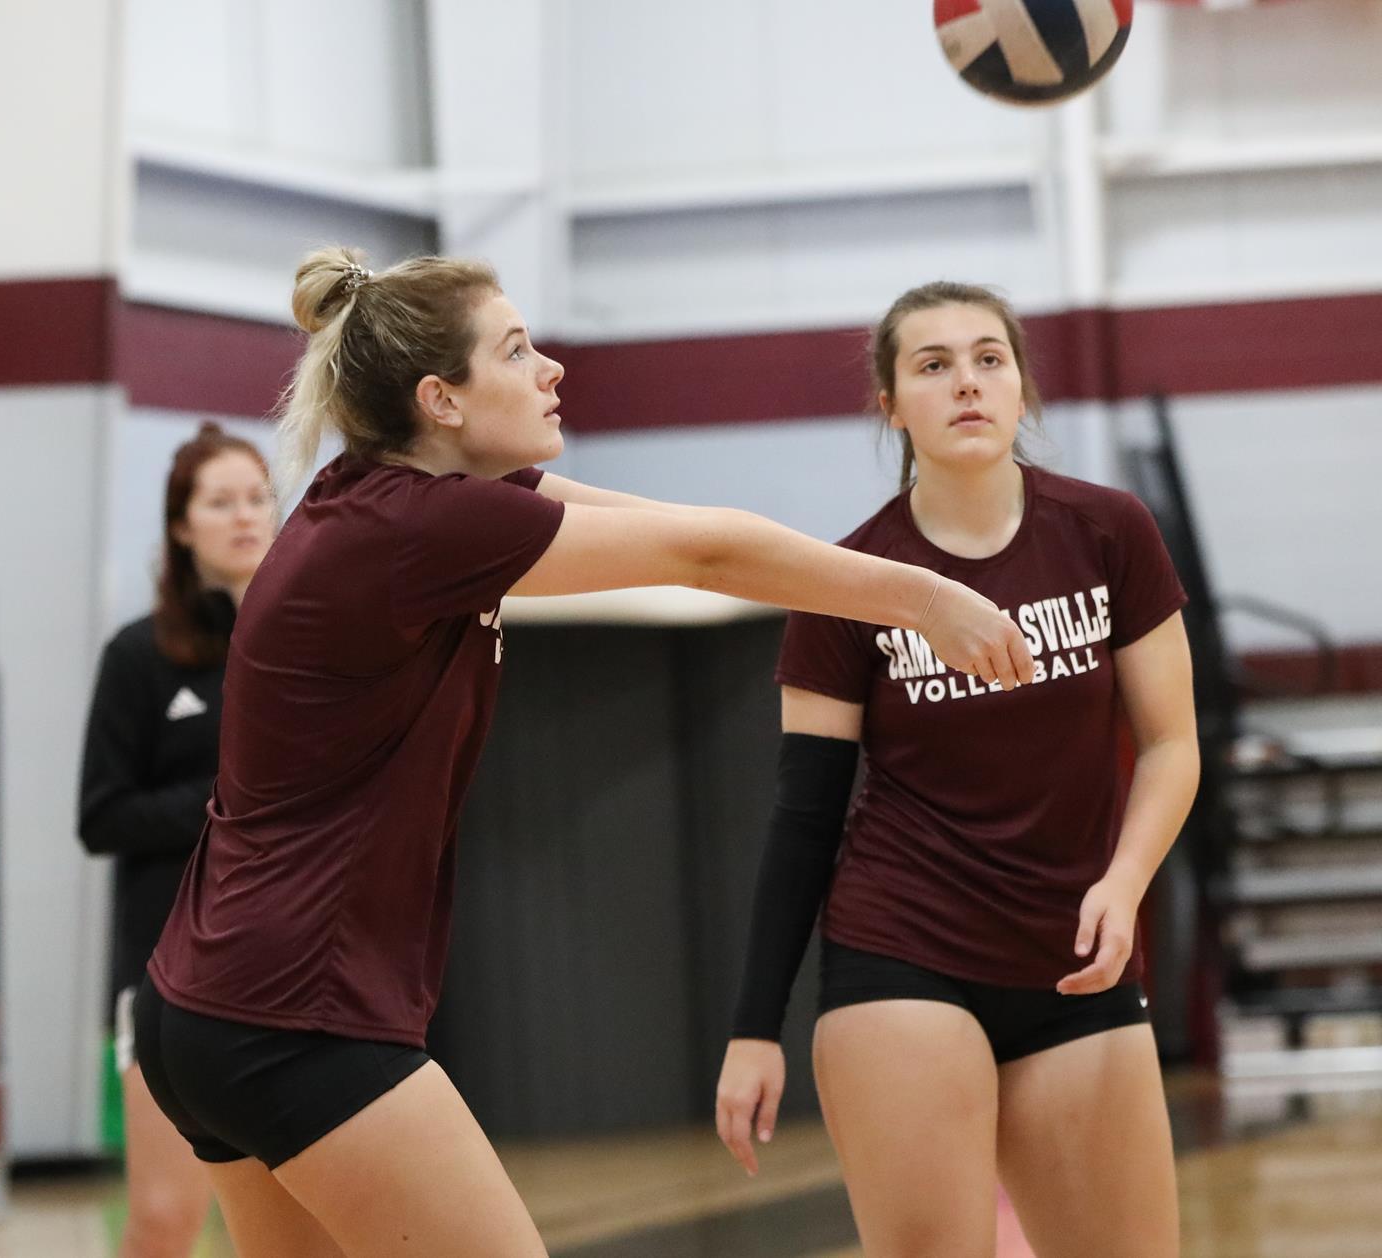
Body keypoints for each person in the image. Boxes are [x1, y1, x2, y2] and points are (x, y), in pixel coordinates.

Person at [133, 247, 1039, 1258]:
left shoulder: (387, 498)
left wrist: (866, 576)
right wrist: (921, 595)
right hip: (291, 1012)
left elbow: (683, 530)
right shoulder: (417, 527)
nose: (550, 368)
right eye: (516, 350)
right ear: (439, 398)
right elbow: (703, 554)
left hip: (206, 1008)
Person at [714, 281, 1199, 1258]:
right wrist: (751, 1026)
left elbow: (1169, 743)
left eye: (988, 358)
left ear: (1021, 388)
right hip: (902, 949)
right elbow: (803, 813)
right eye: (930, 366)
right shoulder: (847, 580)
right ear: (889, 405)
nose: (965, 383)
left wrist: (1123, 879)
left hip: (1070, 951)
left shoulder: (1108, 534)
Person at [79, 422, 277, 1258]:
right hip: (169, 969)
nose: (244, 516)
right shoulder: (139, 657)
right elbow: (102, 815)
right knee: (166, 1218)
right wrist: (226, 801)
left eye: (259, 497)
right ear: (181, 525)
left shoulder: (304, 640)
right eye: (220, 501)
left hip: (282, 964)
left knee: (285, 1218)